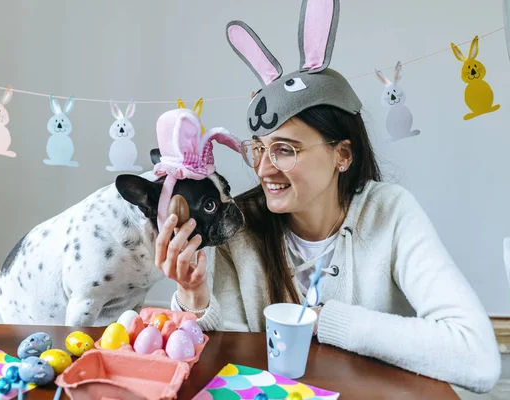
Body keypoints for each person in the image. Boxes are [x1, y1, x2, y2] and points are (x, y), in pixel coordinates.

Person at [154, 0, 501, 394]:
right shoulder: (237, 226)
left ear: (343, 155)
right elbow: (222, 365)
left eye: (285, 149)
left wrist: (324, 322)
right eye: (258, 149)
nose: (264, 169)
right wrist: (193, 299)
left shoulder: (390, 212)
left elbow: (478, 358)